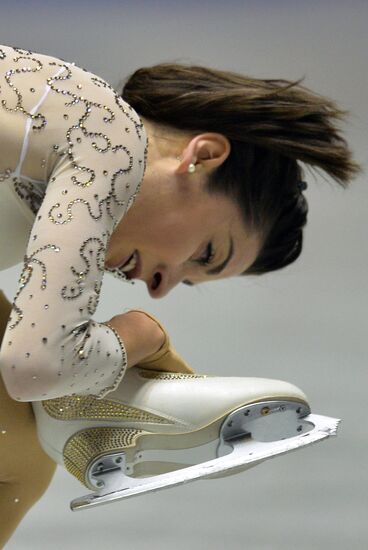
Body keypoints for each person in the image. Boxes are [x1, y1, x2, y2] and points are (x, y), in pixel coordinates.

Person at [0, 44, 360, 545]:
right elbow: (35, 365)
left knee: (19, 447)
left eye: (187, 281)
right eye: (206, 252)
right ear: (203, 157)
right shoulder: (112, 141)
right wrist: (142, 336)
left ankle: (84, 412)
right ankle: (92, 411)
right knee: (18, 452)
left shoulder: (60, 133)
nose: (160, 287)